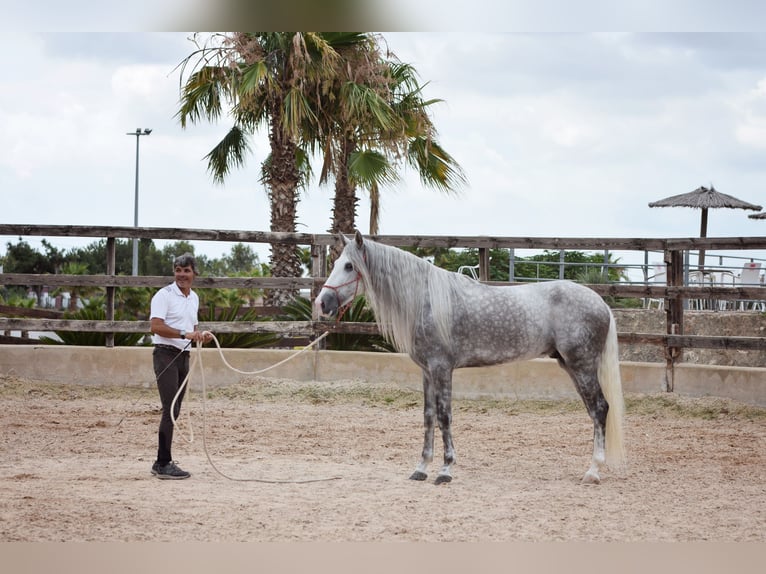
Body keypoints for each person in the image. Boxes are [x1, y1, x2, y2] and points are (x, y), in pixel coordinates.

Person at [149, 252, 212, 479]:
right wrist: (186, 334)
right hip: (166, 355)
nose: (181, 275)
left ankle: (163, 461)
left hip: (183, 356)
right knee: (170, 409)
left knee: (174, 409)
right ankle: (163, 461)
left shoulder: (193, 297)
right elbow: (155, 326)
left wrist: (199, 335)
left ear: (194, 273)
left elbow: (191, 327)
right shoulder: (163, 295)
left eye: (186, 271)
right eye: (178, 270)